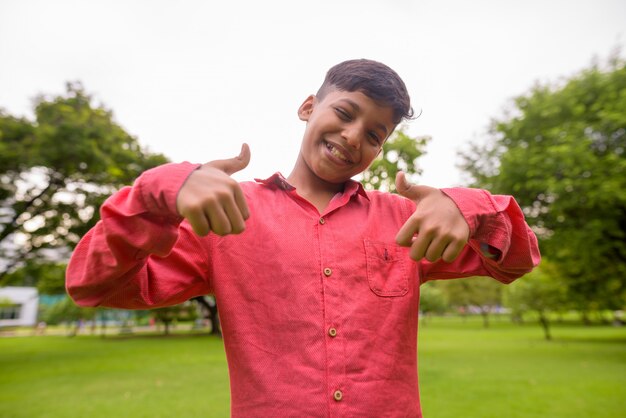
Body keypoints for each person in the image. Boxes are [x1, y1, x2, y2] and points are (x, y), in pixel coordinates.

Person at [66, 59, 540, 417]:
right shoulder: (230, 216)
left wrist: (471, 208)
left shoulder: (405, 221)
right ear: (308, 107)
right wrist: (158, 191)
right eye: (345, 113)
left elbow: (517, 260)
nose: (355, 137)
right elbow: (92, 285)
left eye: (375, 135)